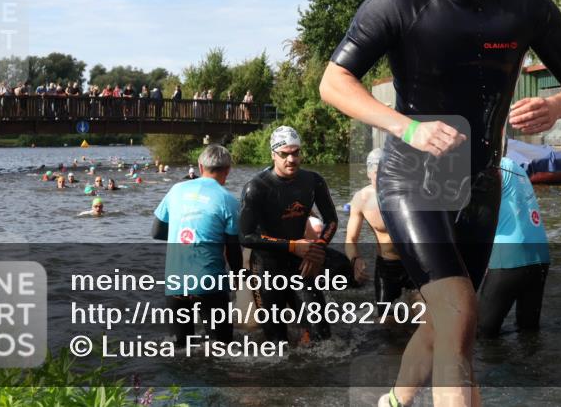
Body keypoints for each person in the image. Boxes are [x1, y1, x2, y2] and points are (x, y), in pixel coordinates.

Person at [319, 0, 561, 407]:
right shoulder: (399, 3)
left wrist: (556, 105)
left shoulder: (528, 8)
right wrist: (406, 127)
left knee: (445, 319)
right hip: (412, 178)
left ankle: (393, 402)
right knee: (459, 311)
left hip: (480, 185)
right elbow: (334, 83)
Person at [239, 126, 338, 344]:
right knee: (276, 344)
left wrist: (318, 248)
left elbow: (332, 220)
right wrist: (293, 245)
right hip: (266, 267)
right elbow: (245, 236)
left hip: (300, 263)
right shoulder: (256, 187)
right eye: (284, 154)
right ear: (273, 154)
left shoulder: (313, 181)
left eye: (296, 153)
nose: (291, 159)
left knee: (322, 337)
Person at [152, 144, 242, 347]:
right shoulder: (229, 201)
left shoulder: (176, 190)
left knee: (179, 348)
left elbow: (156, 232)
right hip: (209, 283)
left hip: (175, 282)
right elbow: (233, 249)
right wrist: (237, 276)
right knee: (222, 349)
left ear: (200, 167)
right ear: (228, 170)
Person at [477, 155, 550, 338]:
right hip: (540, 255)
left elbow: (478, 218)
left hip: (509, 256)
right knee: (529, 332)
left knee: (481, 334)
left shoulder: (486, 167)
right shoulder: (513, 165)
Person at [345, 148, 415, 302]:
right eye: (378, 173)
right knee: (386, 316)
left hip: (417, 262)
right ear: (369, 173)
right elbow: (350, 239)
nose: (383, 179)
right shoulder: (361, 199)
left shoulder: (412, 194)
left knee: (423, 312)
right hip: (387, 266)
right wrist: (355, 260)